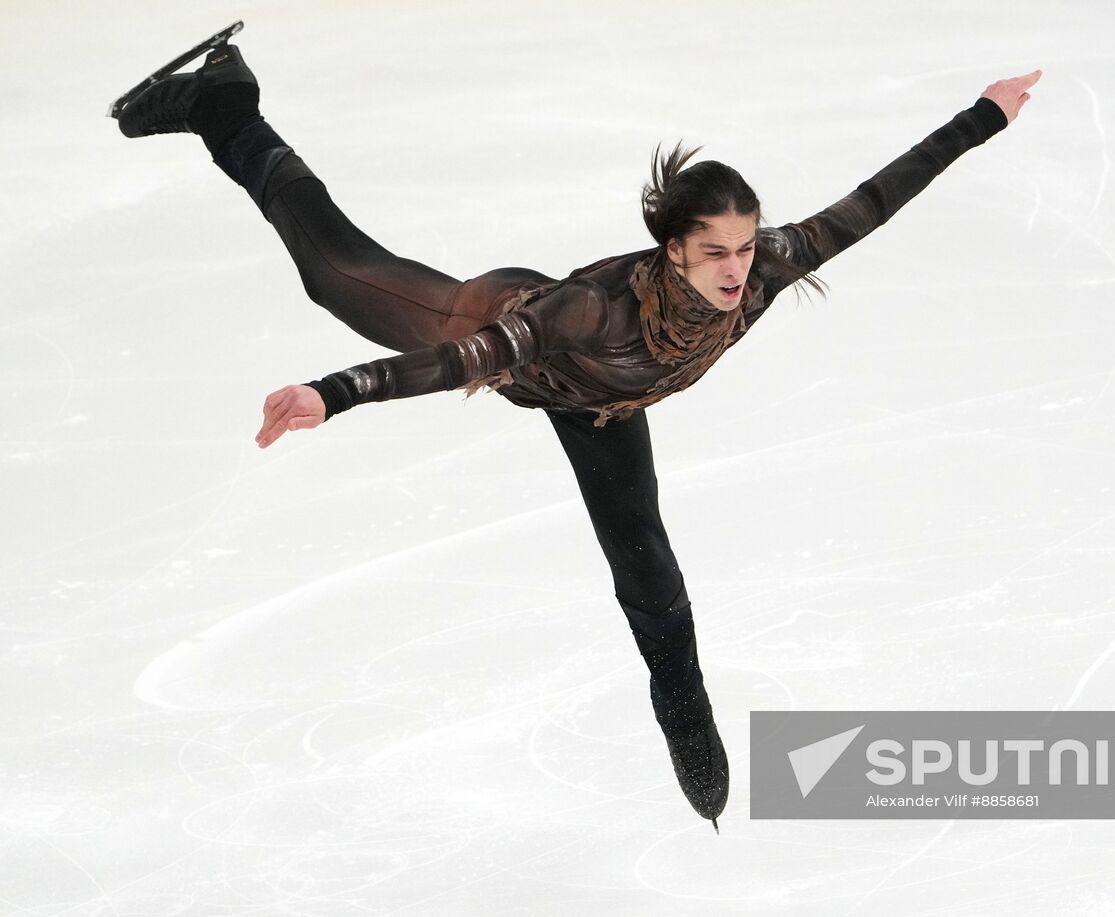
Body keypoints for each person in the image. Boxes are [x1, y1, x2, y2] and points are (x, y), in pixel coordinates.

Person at [113, 28, 1039, 830]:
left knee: (649, 566)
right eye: (713, 249)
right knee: (332, 267)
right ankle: (227, 105)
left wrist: (984, 117)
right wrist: (336, 390)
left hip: (603, 404)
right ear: (672, 246)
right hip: (506, 331)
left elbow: (874, 201)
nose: (734, 267)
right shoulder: (594, 312)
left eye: (745, 245)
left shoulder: (763, 270)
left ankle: (693, 734)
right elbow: (465, 364)